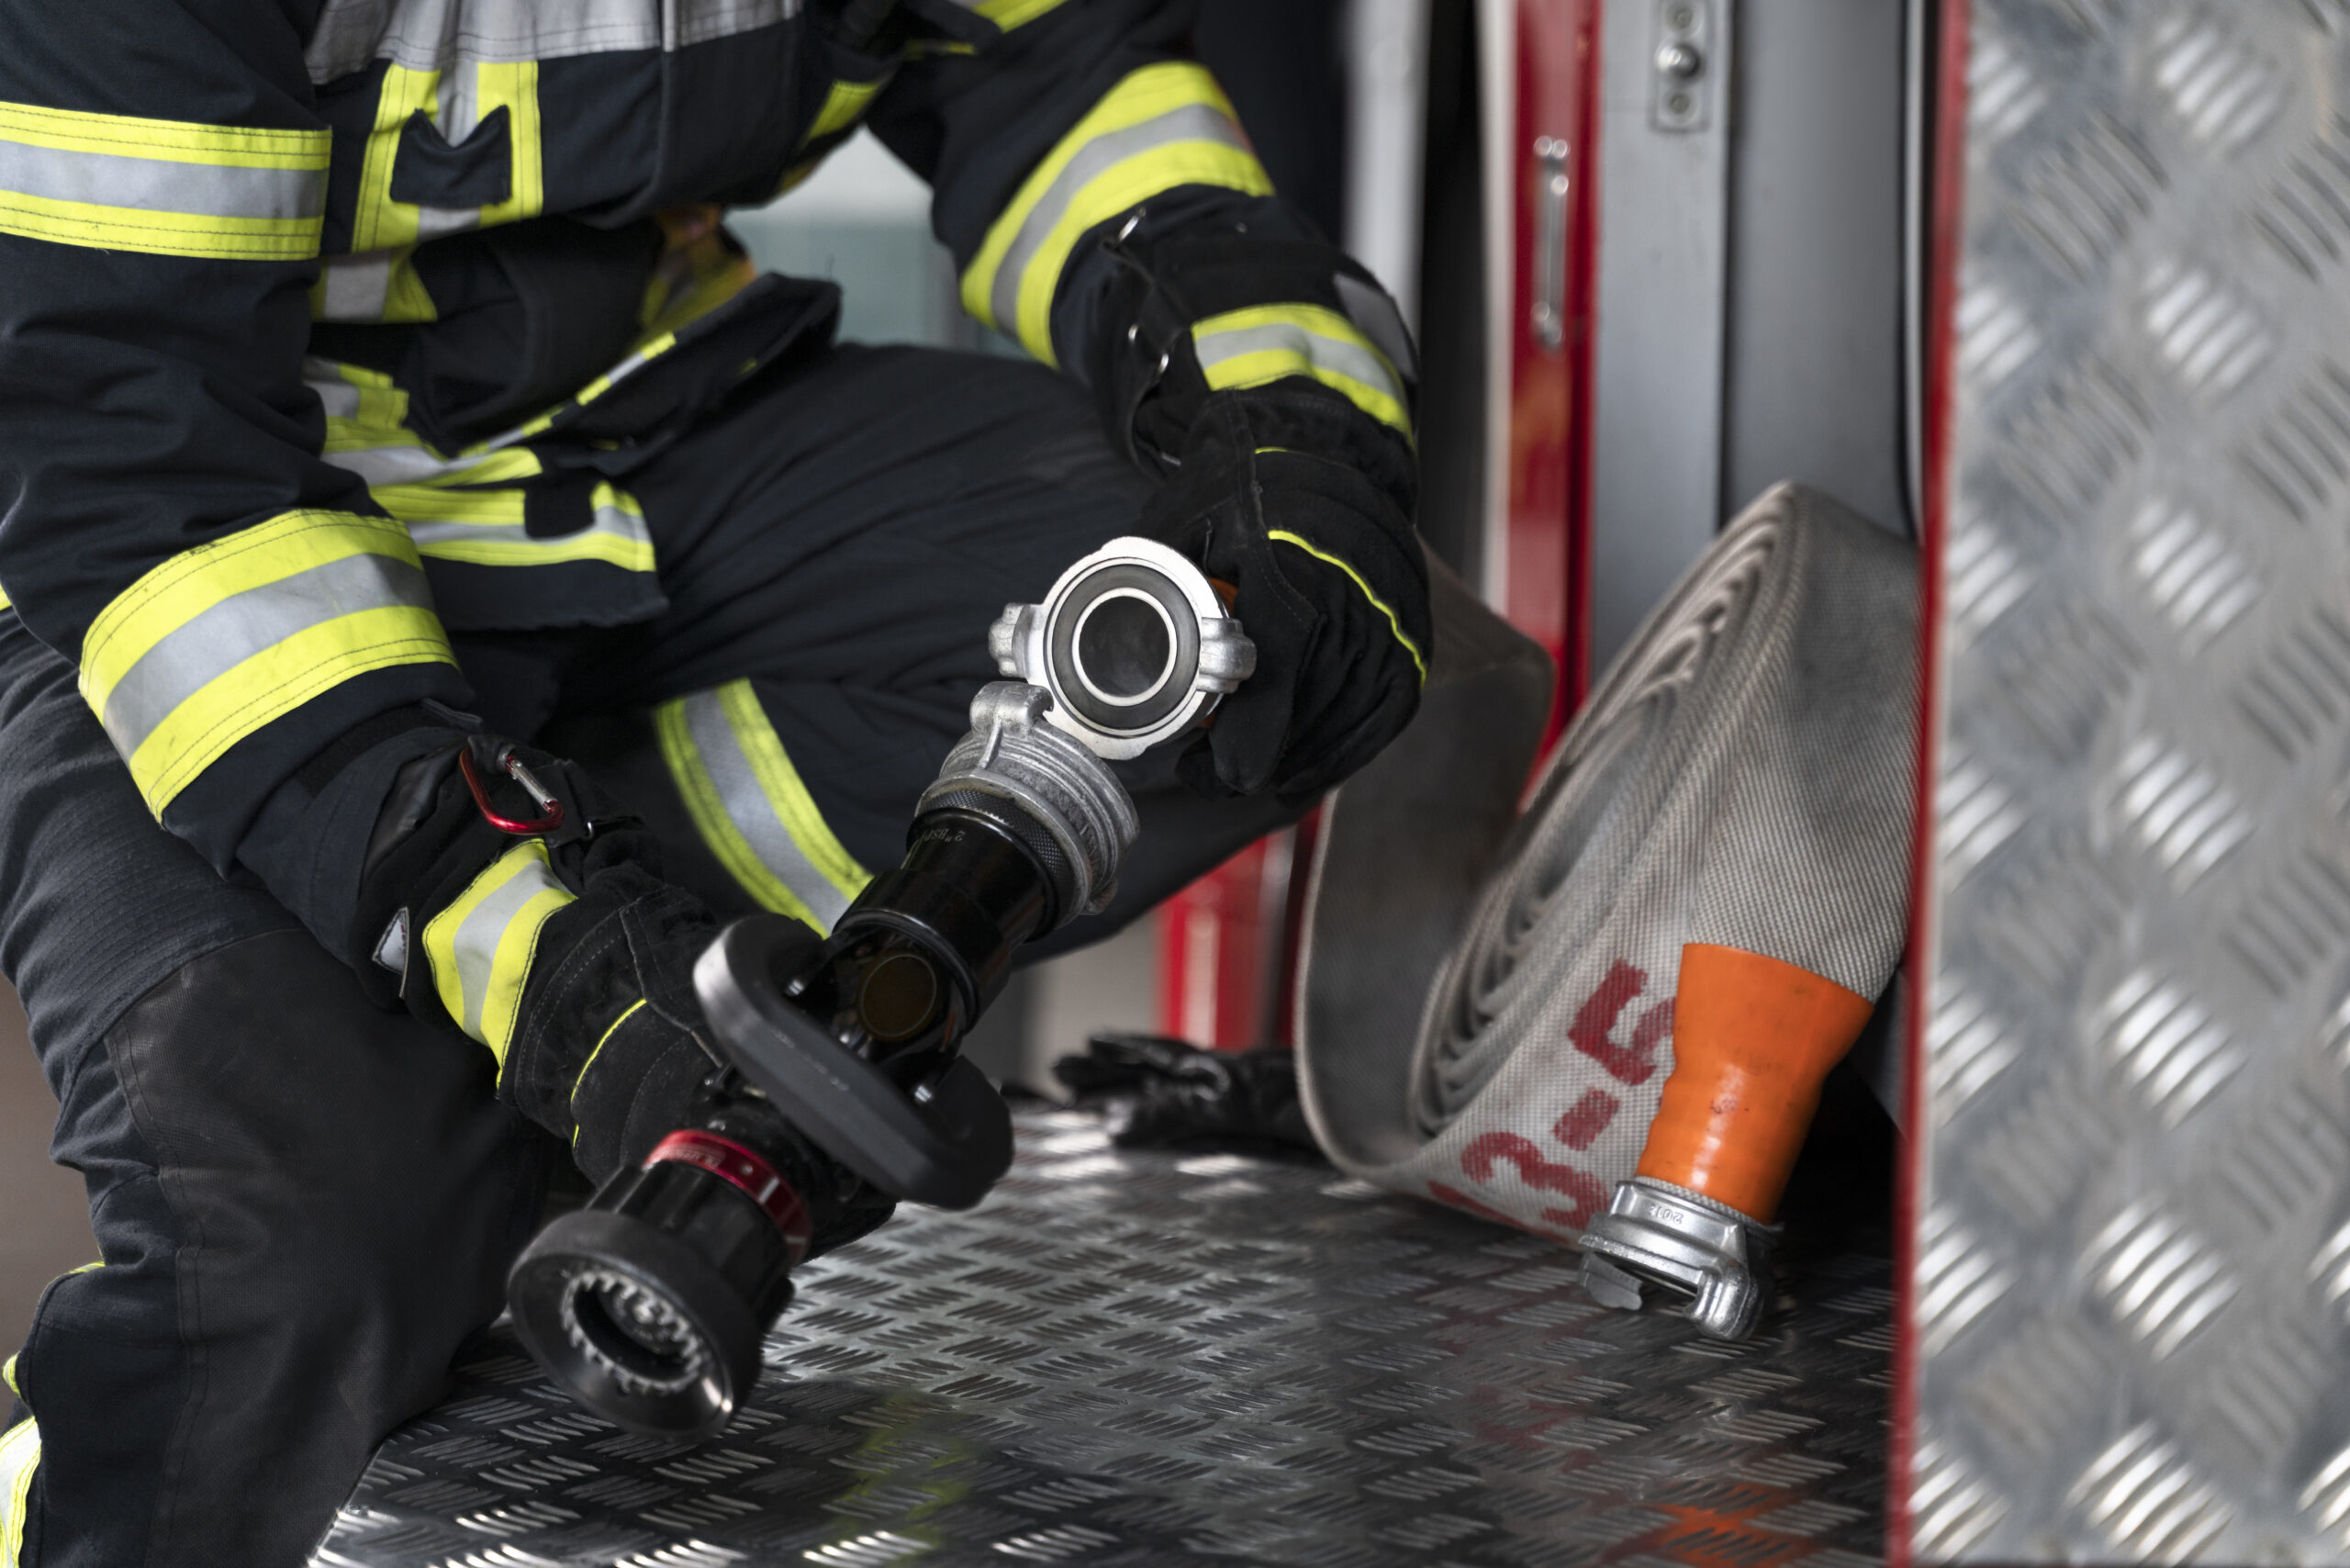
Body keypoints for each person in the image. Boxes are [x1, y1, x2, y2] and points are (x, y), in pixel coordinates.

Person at [0, 0, 1433, 1561]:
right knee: (293, 1261)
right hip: (170, 574)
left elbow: (1056, 70)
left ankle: (531, 1040)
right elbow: (138, 463)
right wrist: (552, 965)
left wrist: (1295, 430)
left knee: (1246, 647)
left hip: (625, 438)